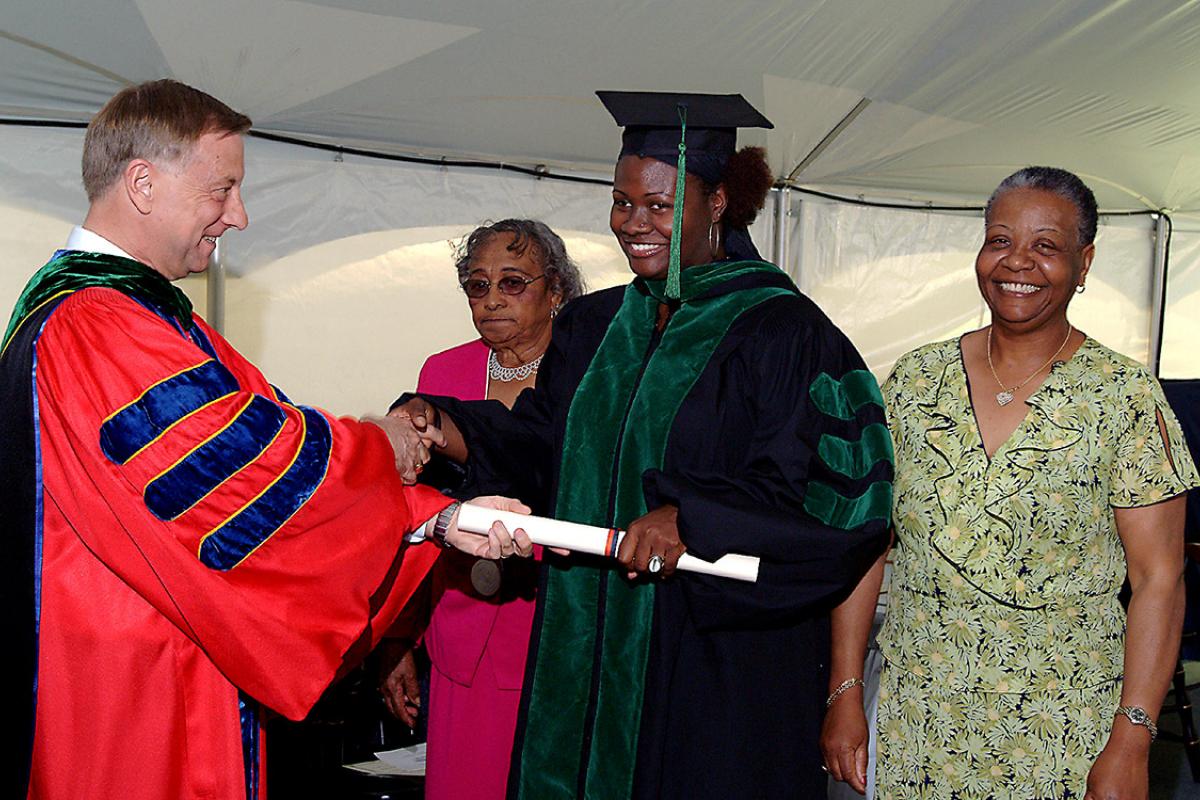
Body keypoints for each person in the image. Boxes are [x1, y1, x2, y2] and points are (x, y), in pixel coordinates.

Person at [0, 79, 531, 800]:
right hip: (128, 705)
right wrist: (385, 450)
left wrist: (435, 518)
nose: (239, 217)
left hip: (145, 671)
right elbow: (249, 476)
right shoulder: (97, 326)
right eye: (222, 189)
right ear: (143, 183)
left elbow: (257, 444)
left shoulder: (132, 319)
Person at [395, 91, 893, 799]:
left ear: (716, 202)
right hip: (587, 642)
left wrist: (690, 517)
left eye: (659, 205)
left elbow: (827, 498)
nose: (635, 223)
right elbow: (548, 445)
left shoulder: (784, 332)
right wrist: (443, 425)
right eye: (622, 203)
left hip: (711, 658)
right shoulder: (596, 326)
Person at [822, 166, 1199, 799]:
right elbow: (866, 549)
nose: (1016, 262)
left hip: (1064, 732)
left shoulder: (1124, 398)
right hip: (923, 724)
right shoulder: (915, 383)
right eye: (999, 240)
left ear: (1085, 263)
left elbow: (1160, 580)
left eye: (1045, 246)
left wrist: (1133, 739)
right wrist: (845, 688)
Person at [378, 219, 585, 800]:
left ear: (557, 292)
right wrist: (398, 640)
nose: (491, 298)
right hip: (460, 629)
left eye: (513, 282)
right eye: (477, 285)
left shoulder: (592, 377)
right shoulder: (439, 374)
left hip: (556, 632)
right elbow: (416, 511)